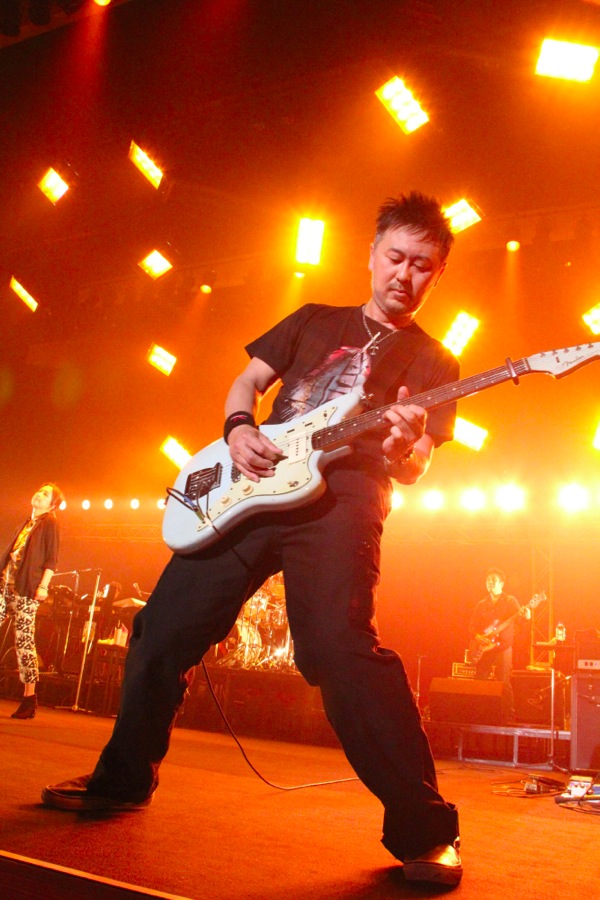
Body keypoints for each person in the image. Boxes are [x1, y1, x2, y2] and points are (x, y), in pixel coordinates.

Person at [42, 193, 463, 887]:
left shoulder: (436, 361)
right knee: (160, 629)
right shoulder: (313, 319)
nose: (404, 274)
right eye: (395, 256)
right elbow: (249, 381)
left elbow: (416, 465)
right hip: (255, 484)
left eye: (422, 265)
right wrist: (239, 428)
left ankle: (426, 833)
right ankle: (122, 780)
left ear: (438, 275)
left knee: (338, 649)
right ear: (371, 254)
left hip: (343, 499)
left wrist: (401, 447)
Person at [0, 483, 64, 719]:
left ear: (53, 504)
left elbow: (51, 560)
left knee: (24, 641)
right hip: (5, 586)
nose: (39, 494)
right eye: (39, 490)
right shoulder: (26, 523)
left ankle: (29, 698)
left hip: (26, 589)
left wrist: (44, 586)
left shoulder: (50, 524)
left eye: (46, 494)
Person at [468, 567, 530, 687]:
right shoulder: (482, 604)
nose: (490, 582)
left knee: (503, 684)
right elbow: (472, 626)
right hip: (485, 648)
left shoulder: (510, 601)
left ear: (501, 583)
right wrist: (477, 637)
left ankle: (506, 700)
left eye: (493, 579)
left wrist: (526, 617)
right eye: (488, 580)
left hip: (503, 647)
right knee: (479, 682)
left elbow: (521, 622)